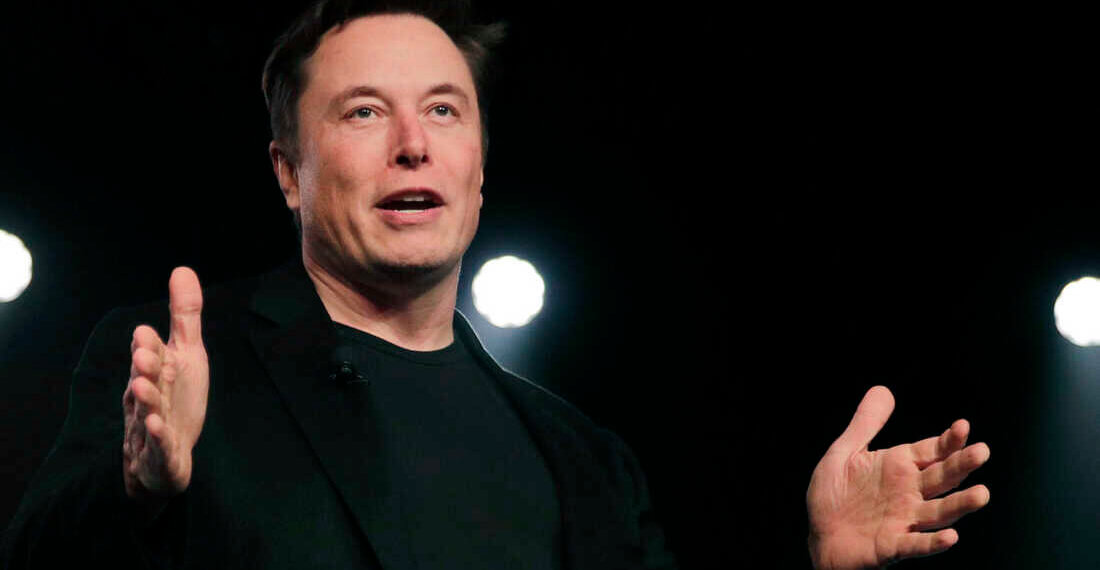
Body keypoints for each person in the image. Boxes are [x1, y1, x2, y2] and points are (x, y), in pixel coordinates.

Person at [0, 0, 991, 568]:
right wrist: (137, 492)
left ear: (479, 167)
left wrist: (816, 564)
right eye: (361, 113)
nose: (411, 145)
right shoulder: (174, 368)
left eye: (443, 109)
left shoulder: (584, 456)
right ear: (286, 168)